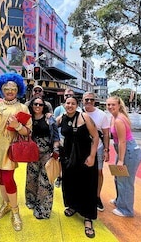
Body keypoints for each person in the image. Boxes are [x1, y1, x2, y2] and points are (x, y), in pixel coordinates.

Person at [0, 73, 32, 231]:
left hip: (10, 148)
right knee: (1, 177)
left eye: (13, 88)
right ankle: (5, 204)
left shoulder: (22, 108)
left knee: (8, 178)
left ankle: (15, 211)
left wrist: (17, 126)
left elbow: (28, 132)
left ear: (18, 89)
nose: (10, 91)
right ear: (1, 89)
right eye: (7, 88)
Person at [57, 96, 99, 239]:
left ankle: (88, 218)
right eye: (67, 103)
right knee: (70, 183)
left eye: (73, 103)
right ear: (64, 104)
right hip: (68, 157)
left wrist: (92, 156)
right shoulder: (62, 117)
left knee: (87, 185)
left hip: (85, 156)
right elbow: (49, 124)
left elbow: (95, 137)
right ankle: (73, 206)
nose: (70, 105)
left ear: (77, 104)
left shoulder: (84, 116)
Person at [106, 96, 141, 217]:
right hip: (124, 151)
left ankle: (126, 210)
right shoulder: (114, 117)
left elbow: (122, 141)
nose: (110, 107)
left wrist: (121, 160)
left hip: (128, 152)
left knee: (125, 181)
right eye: (108, 105)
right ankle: (120, 201)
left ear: (119, 105)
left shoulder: (119, 120)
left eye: (113, 105)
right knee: (118, 178)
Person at [25, 97, 60, 219]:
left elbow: (56, 136)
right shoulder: (28, 118)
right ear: (32, 105)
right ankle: (31, 201)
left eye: (40, 104)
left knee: (45, 181)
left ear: (44, 106)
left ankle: (43, 209)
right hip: (32, 153)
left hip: (47, 153)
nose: (38, 106)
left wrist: (56, 150)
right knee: (31, 178)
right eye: (35, 104)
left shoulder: (49, 118)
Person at [82, 92, 110, 212]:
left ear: (95, 101)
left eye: (91, 100)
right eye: (86, 99)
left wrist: (106, 150)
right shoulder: (77, 112)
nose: (89, 102)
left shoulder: (102, 115)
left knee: (98, 172)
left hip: (98, 147)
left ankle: (97, 196)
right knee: (82, 172)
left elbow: (106, 134)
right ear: (83, 100)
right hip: (82, 147)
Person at [53, 88, 76, 188]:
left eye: (71, 95)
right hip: (61, 138)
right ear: (63, 96)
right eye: (67, 95)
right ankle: (59, 177)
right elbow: (54, 125)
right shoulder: (59, 109)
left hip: (73, 140)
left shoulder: (78, 110)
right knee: (59, 160)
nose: (68, 97)